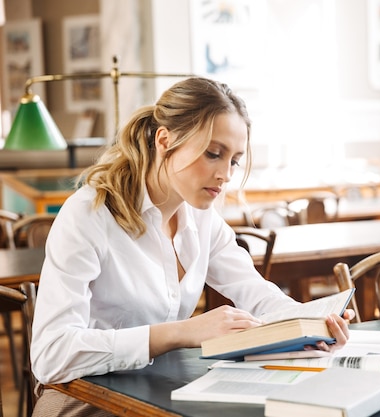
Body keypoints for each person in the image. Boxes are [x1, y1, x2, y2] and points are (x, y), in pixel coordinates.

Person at [30, 77, 354, 416]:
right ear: (165, 140)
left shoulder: (202, 219)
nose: (225, 175)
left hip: (159, 396)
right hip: (86, 403)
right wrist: (181, 333)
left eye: (234, 161)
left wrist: (309, 325)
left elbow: (256, 293)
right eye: (213, 154)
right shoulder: (89, 214)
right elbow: (51, 354)